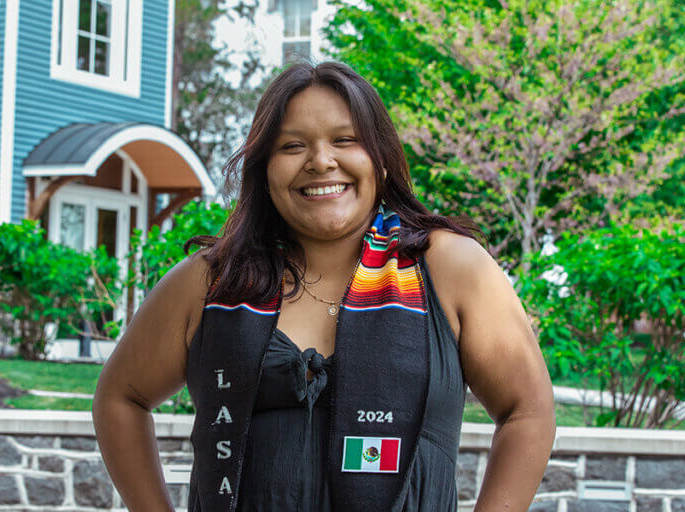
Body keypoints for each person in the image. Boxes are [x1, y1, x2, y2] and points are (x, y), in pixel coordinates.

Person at [92, 61, 556, 512]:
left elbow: (527, 411)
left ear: (382, 159)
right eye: (292, 146)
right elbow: (120, 398)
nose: (321, 161)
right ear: (264, 168)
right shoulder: (212, 282)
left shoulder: (450, 268)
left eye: (345, 140)